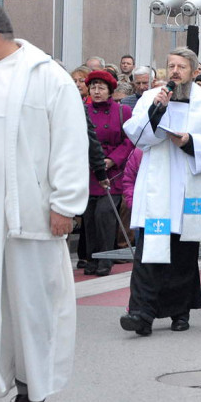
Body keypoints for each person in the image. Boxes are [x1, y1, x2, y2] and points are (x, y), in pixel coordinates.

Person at [0, 3, 89, 402]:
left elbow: (68, 143)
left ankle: (32, 388)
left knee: (33, 304)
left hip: (31, 211)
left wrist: (65, 204)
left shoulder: (46, 76)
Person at [120, 48, 201, 336]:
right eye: (170, 65)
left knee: (182, 254)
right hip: (158, 189)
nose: (174, 71)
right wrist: (155, 112)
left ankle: (179, 312)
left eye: (181, 66)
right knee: (149, 253)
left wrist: (189, 141)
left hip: (189, 188)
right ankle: (141, 314)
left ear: (194, 71)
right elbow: (135, 133)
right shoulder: (150, 98)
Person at [82, 70, 134, 276]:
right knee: (89, 217)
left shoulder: (123, 112)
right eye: (93, 87)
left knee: (105, 214)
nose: (96, 91)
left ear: (110, 91)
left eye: (101, 88)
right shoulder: (82, 110)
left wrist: (113, 159)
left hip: (112, 172)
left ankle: (105, 258)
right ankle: (91, 258)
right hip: (88, 169)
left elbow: (129, 140)